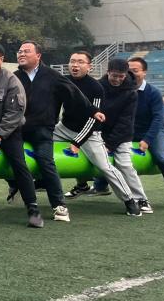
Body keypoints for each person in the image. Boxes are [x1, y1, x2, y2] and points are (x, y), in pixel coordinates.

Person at [10, 41, 96, 222]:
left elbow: (74, 93)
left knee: (46, 162)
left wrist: (92, 110)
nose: (21, 54)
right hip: (17, 129)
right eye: (19, 51)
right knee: (10, 158)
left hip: (42, 129)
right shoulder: (14, 77)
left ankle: (59, 205)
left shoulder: (52, 76)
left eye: (26, 51)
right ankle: (14, 186)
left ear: (38, 55)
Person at [93, 57, 164, 211]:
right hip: (126, 130)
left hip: (149, 130)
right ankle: (99, 185)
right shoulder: (115, 87)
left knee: (162, 159)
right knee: (105, 155)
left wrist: (147, 139)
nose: (131, 73)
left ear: (144, 72)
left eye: (135, 70)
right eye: (128, 70)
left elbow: (158, 118)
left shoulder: (152, 93)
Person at [56, 52, 140, 216]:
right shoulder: (62, 81)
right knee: (37, 139)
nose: (75, 65)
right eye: (72, 61)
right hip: (63, 128)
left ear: (89, 66)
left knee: (104, 166)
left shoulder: (96, 87)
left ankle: (129, 200)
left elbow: (94, 119)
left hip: (89, 132)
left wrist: (77, 142)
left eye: (80, 62)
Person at [0, 43, 44, 228]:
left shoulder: (11, 81)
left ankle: (33, 209)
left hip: (9, 130)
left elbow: (15, 113)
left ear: (1, 59)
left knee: (19, 164)